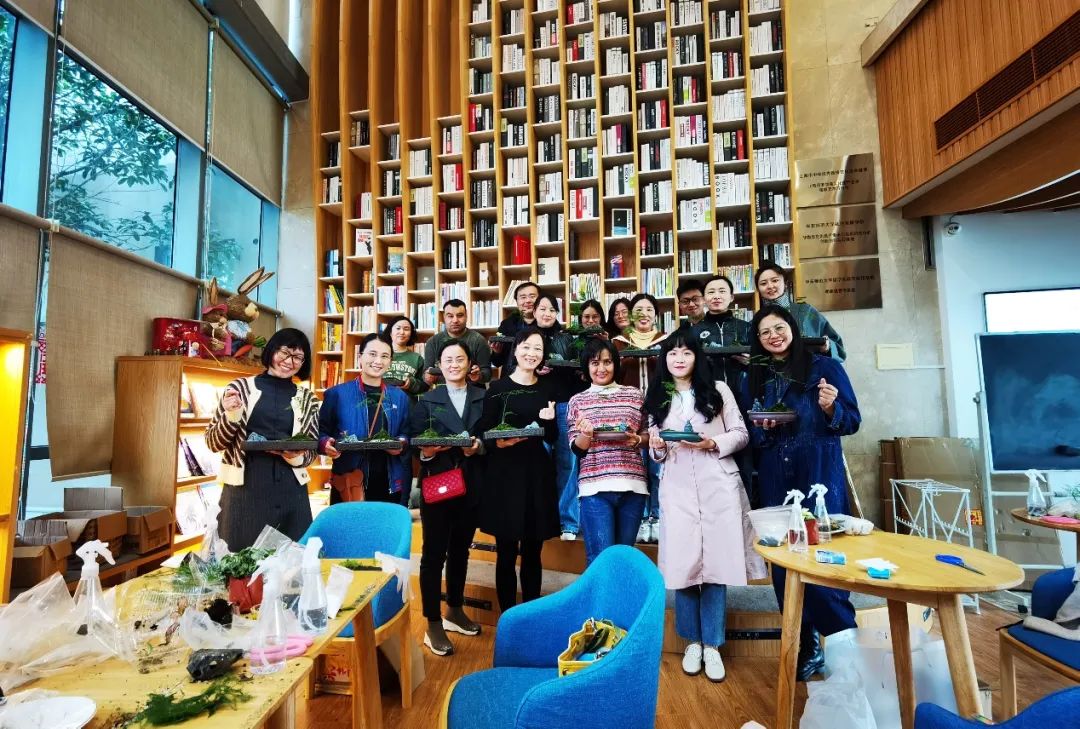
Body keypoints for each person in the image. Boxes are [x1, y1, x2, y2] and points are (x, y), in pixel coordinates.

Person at [743, 304, 861, 680]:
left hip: (819, 478)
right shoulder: (755, 376)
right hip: (777, 477)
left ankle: (844, 644)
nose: (773, 336)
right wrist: (762, 428)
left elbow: (852, 420)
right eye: (765, 332)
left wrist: (830, 408)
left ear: (792, 329)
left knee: (824, 558)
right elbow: (752, 435)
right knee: (784, 564)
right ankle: (806, 645)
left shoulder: (824, 368)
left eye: (779, 328)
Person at [645, 331, 766, 682]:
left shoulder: (718, 390)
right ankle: (692, 643)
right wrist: (656, 446)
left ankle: (712, 644)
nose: (679, 359)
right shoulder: (657, 395)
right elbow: (657, 451)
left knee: (716, 566)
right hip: (677, 486)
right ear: (664, 359)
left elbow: (741, 433)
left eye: (686, 352)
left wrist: (712, 442)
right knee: (683, 566)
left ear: (697, 357)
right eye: (672, 353)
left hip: (718, 484)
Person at [206, 328, 320, 549]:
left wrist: (296, 456)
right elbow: (213, 442)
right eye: (284, 352)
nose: (289, 361)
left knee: (292, 560)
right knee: (241, 559)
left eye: (298, 357)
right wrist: (231, 416)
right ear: (272, 351)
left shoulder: (309, 399)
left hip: (291, 490)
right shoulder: (239, 389)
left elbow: (312, 450)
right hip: (245, 488)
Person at [409, 341, 486, 656]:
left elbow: (491, 435)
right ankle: (432, 623)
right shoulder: (426, 400)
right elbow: (415, 441)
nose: (454, 364)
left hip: (472, 484)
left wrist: (478, 447)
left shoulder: (483, 396)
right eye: (448, 359)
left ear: (470, 363)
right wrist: (427, 453)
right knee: (433, 555)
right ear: (439, 365)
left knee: (460, 551)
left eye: (460, 359)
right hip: (439, 484)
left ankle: (454, 609)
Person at [477, 327, 560, 613]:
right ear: (516, 350)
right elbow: (484, 431)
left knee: (534, 552)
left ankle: (530, 617)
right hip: (504, 475)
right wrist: (500, 441)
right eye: (526, 347)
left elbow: (552, 437)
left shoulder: (547, 389)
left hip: (536, 475)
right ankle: (508, 618)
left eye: (538, 348)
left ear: (543, 355)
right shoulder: (498, 388)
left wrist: (549, 421)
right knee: (506, 552)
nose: (531, 353)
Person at [504, 295, 584, 541]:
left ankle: (567, 521)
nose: (547, 313)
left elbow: (578, 374)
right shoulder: (525, 337)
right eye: (542, 308)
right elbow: (510, 368)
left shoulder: (567, 338)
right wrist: (533, 369)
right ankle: (541, 516)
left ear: (557, 313)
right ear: (534, 311)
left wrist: (566, 369)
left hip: (564, 404)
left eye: (552, 309)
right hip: (534, 403)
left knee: (568, 463)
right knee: (538, 461)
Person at [567, 338, 648, 565]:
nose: (601, 368)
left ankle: (622, 592)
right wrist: (586, 434)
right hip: (595, 489)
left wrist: (638, 439)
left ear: (616, 364)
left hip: (633, 486)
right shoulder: (577, 401)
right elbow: (576, 448)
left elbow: (648, 435)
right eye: (595, 363)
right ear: (586, 367)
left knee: (624, 560)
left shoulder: (635, 395)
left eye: (607, 362)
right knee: (600, 561)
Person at [318, 333, 411, 504]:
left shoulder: (400, 397)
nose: (378, 361)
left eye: (385, 356)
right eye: (372, 354)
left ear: (390, 361)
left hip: (389, 483)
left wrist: (401, 443)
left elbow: (407, 433)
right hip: (349, 481)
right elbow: (320, 432)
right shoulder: (337, 394)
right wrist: (325, 444)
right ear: (360, 357)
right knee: (349, 522)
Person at [612, 293, 669, 543]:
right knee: (636, 468)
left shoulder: (667, 341)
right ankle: (641, 519)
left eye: (649, 309)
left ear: (655, 314)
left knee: (657, 468)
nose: (643, 314)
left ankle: (657, 516)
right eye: (638, 309)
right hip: (630, 414)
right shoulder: (618, 343)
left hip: (660, 412)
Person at [755, 263, 846, 361]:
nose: (770, 286)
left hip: (812, 368)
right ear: (758, 289)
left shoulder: (807, 312)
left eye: (775, 280)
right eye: (763, 283)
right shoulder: (756, 321)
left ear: (785, 284)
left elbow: (838, 348)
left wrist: (828, 347)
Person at [691, 275, 752, 388]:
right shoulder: (694, 331)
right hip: (708, 391)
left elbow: (762, 362)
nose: (716, 296)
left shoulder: (747, 328)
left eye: (722, 291)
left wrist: (751, 361)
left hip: (743, 391)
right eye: (711, 292)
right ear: (703, 299)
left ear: (731, 297)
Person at [422, 299, 492, 385]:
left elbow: (487, 374)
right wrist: (427, 377)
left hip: (472, 389)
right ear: (444, 317)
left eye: (460, 315)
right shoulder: (433, 342)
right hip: (442, 389)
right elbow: (426, 373)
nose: (455, 320)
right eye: (450, 316)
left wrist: (479, 376)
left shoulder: (478, 340)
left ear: (466, 316)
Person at [492, 281, 540, 367]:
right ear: (517, 302)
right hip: (512, 374)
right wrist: (497, 352)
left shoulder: (548, 324)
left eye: (532, 296)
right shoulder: (506, 324)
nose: (528, 301)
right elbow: (496, 363)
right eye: (523, 297)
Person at [382, 315, 428, 398]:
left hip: (406, 402)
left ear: (411, 334)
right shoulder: (379, 355)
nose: (402, 332)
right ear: (390, 332)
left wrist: (411, 383)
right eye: (398, 328)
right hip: (379, 401)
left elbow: (425, 386)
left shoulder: (417, 359)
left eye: (406, 329)